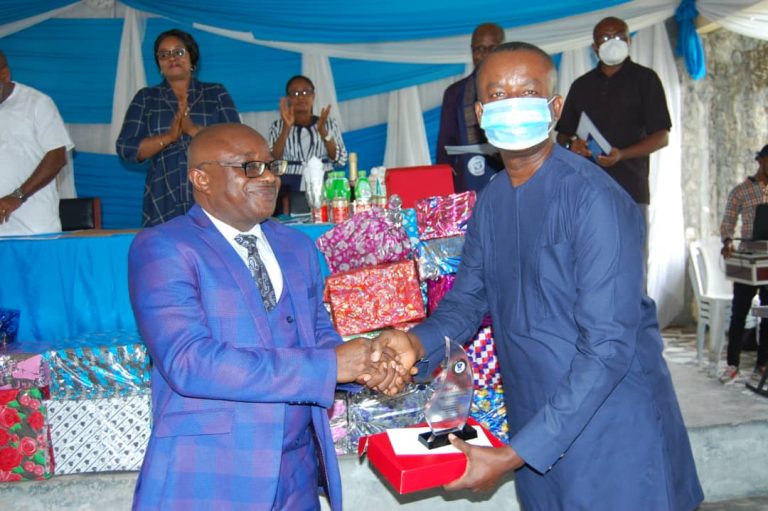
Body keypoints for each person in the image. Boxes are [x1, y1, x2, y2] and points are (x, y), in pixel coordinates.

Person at [374, 42, 703, 510]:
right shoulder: (492, 201)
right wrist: (415, 343)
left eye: (527, 92)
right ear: (480, 113)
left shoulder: (593, 199)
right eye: (497, 95)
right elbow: (467, 300)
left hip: (611, 426)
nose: (512, 105)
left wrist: (513, 455)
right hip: (535, 417)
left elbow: (608, 348)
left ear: (554, 108)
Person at [128, 123, 402, 510]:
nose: (270, 177)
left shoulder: (297, 246)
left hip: (298, 473)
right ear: (201, 178)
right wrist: (330, 366)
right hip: (213, 472)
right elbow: (190, 361)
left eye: (272, 166)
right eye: (250, 167)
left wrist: (366, 365)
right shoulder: (165, 247)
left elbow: (317, 334)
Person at [116, 29, 241, 227]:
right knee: (165, 245)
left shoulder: (215, 93)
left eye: (178, 52)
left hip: (212, 185)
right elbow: (126, 148)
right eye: (164, 55)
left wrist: (194, 131)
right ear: (159, 64)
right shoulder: (146, 97)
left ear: (192, 58)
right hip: (163, 191)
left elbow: (237, 143)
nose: (171, 58)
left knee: (213, 243)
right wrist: (169, 137)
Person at [555, 16, 671, 223]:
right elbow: (562, 136)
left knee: (632, 242)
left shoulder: (646, 79)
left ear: (629, 41)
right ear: (594, 47)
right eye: (605, 38)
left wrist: (622, 154)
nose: (613, 42)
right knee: (589, 242)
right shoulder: (581, 85)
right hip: (587, 187)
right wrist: (572, 145)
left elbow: (662, 137)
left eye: (619, 36)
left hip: (631, 187)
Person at [0, 50, 73, 236]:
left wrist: (17, 196)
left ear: (4, 75)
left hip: (33, 229)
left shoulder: (37, 103)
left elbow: (57, 158)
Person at [719, 144, 768, 386]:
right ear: (760, 161)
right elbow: (727, 222)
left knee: (766, 313)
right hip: (747, 261)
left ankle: (762, 365)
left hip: (767, 262)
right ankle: (733, 365)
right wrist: (728, 241)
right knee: (740, 313)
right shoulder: (741, 191)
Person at [436, 23, 505, 193]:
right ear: (472, 51)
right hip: (468, 181)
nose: (485, 54)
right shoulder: (455, 93)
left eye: (492, 48)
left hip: (509, 175)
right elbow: (444, 149)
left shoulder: (514, 88)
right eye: (479, 49)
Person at [268, 75, 347, 215]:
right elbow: (273, 161)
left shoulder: (328, 123)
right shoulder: (277, 126)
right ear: (288, 98)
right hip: (289, 187)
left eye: (306, 92)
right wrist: (286, 128)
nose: (301, 97)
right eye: (295, 93)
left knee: (324, 220)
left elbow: (340, 160)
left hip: (324, 183)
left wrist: (323, 132)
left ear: (313, 96)